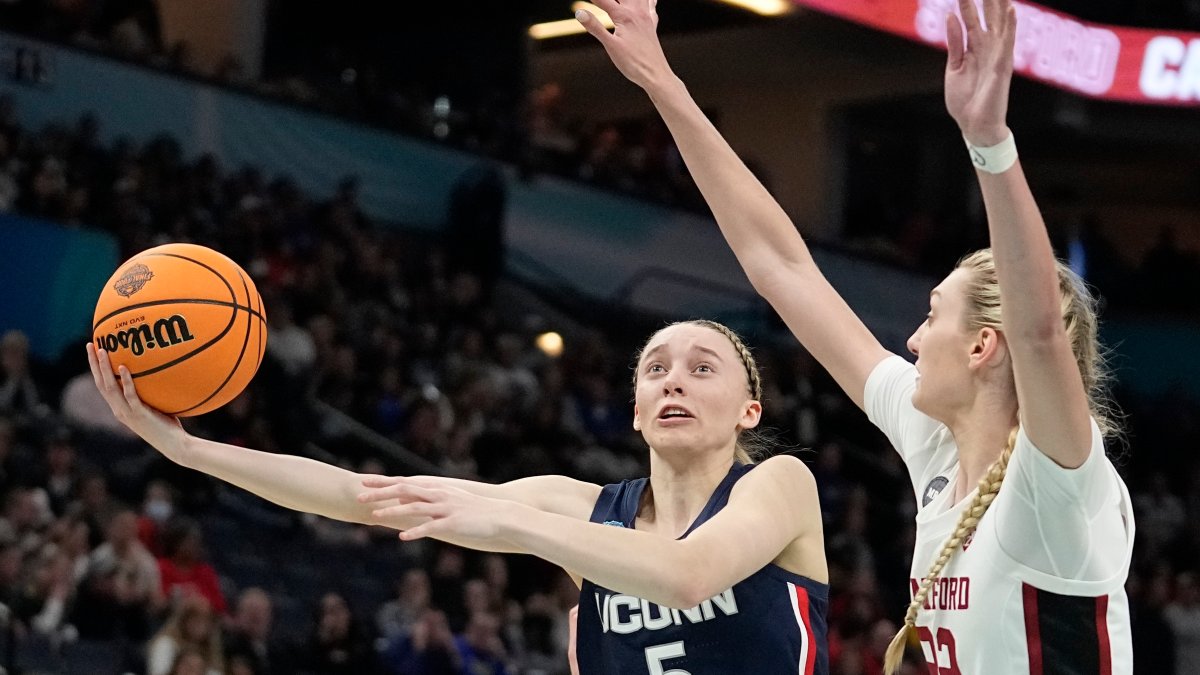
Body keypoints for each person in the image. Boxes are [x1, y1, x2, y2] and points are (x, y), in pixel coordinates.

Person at [572, 0, 1133, 672]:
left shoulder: (1058, 482)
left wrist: (989, 143)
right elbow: (780, 267)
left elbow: (1037, 330)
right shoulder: (938, 448)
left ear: (984, 345)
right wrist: (660, 81)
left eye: (932, 317)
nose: (914, 341)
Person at [86, 317, 830, 675]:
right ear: (634, 409)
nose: (673, 377)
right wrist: (182, 447)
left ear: (748, 411)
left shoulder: (778, 486)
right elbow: (359, 495)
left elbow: (688, 572)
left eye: (703, 368)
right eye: (656, 368)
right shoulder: (580, 510)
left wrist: (513, 518)